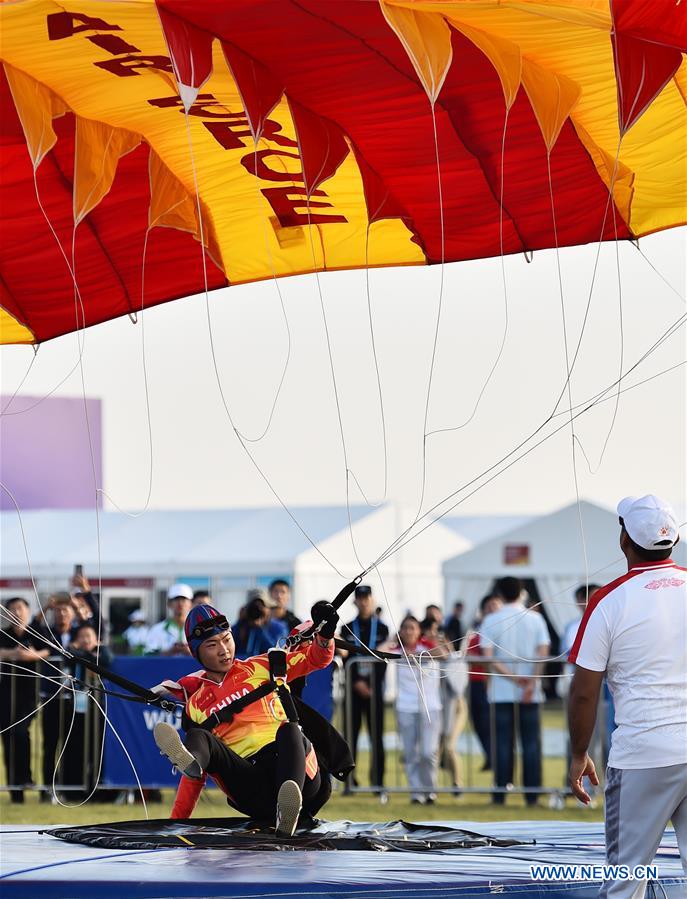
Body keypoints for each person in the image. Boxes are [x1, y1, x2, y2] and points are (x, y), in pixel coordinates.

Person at [568, 494, 686, 897]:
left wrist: (578, 754)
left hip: (642, 754)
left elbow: (584, 693)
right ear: (673, 539)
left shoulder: (608, 601)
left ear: (624, 539)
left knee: (626, 878)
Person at [153, 600, 345, 835]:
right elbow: (194, 781)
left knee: (290, 730)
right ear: (196, 652)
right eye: (212, 644)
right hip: (252, 786)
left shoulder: (262, 665)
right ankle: (190, 761)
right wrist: (175, 823)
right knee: (198, 736)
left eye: (227, 639)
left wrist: (326, 633)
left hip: (299, 776)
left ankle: (287, 810)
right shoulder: (195, 704)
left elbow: (316, 658)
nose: (223, 650)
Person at [480, 576, 549, 806]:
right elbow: (543, 652)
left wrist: (513, 678)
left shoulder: (491, 619)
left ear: (500, 593)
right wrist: (531, 683)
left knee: (502, 744)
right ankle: (532, 795)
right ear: (522, 593)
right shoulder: (536, 619)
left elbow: (488, 657)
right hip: (530, 691)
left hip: (502, 691)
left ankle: (500, 793)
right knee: (531, 744)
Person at [382, 616, 444, 803]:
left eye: (413, 628)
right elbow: (379, 651)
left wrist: (429, 642)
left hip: (430, 707)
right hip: (405, 707)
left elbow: (443, 654)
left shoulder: (426, 647)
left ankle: (430, 790)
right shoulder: (397, 650)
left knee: (428, 752)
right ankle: (416, 792)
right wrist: (392, 639)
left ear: (419, 631)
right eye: (405, 628)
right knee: (410, 753)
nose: (409, 631)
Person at [0, 597, 50, 802]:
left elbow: (49, 649)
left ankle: (26, 776)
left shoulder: (36, 633)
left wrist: (33, 656)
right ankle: (15, 791)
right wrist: (13, 653)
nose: (16, 612)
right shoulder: (4, 634)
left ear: (28, 611)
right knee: (7, 737)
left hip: (29, 694)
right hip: (5, 692)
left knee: (20, 732)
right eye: (12, 609)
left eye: (20, 608)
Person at [339, 584, 389, 790]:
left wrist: (371, 684)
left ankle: (378, 781)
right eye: (360, 598)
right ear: (355, 601)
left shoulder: (383, 628)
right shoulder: (347, 628)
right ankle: (349, 782)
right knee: (350, 736)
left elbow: (384, 660)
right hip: (353, 690)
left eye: (367, 598)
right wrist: (357, 682)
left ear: (372, 600)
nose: (364, 602)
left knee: (376, 736)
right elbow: (346, 659)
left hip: (374, 690)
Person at [466, 593, 502, 770]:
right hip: (476, 682)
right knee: (479, 723)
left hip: (493, 682)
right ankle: (490, 756)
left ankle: (496, 758)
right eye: (488, 606)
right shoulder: (476, 632)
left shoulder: (502, 629)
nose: (491, 609)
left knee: (491, 724)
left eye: (494, 605)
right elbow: (469, 655)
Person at [145, 584, 193, 655]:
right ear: (168, 603)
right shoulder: (157, 629)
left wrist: (190, 653)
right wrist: (168, 652)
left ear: (191, 603)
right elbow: (147, 654)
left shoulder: (198, 629)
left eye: (184, 599)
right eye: (176, 599)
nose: (180, 603)